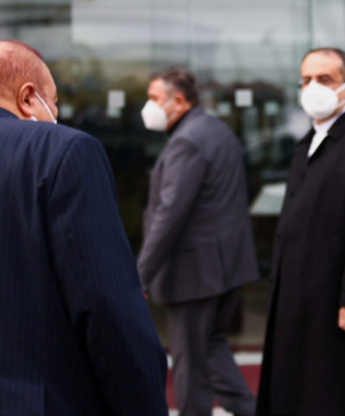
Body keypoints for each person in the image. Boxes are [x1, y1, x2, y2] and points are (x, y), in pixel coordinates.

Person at [0, 40, 168, 415]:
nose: (54, 115)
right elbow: (108, 313)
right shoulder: (62, 152)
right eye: (53, 103)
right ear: (28, 97)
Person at [256, 48, 345, 416]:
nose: (313, 87)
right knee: (293, 386)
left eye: (324, 79)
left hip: (332, 295)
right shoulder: (307, 141)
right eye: (306, 80)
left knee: (327, 390)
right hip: (296, 290)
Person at [137, 67, 259, 416]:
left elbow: (169, 214)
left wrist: (141, 274)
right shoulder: (216, 129)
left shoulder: (187, 141)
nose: (149, 106)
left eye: (154, 98)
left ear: (178, 100)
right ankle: (250, 409)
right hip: (223, 265)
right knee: (209, 347)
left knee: (190, 362)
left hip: (195, 271)